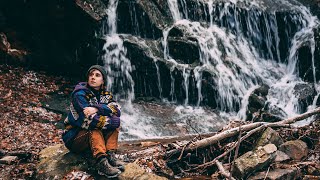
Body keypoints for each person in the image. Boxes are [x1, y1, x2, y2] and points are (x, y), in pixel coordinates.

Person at [62, 65, 125, 178]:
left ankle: (111, 156)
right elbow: (90, 121)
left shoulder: (105, 94)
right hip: (74, 138)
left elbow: (117, 109)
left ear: (103, 80)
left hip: (90, 137)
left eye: (97, 75)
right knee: (95, 128)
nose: (93, 77)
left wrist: (97, 108)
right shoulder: (79, 94)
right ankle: (101, 163)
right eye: (91, 75)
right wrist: (111, 118)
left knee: (113, 127)